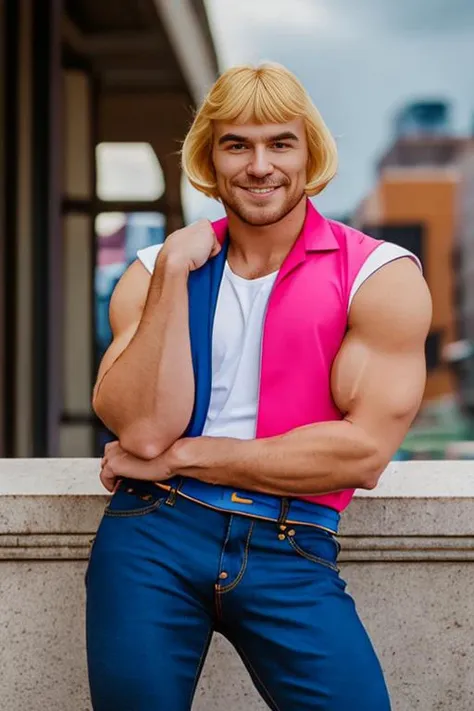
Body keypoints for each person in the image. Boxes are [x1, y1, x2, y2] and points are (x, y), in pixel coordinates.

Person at [86, 63, 431, 711]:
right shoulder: (154, 271)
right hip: (152, 535)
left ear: (310, 153)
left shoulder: (379, 276)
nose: (259, 165)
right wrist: (173, 276)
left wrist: (184, 457)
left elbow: (360, 455)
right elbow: (143, 430)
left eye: (280, 143)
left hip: (290, 540)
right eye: (236, 144)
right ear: (210, 159)